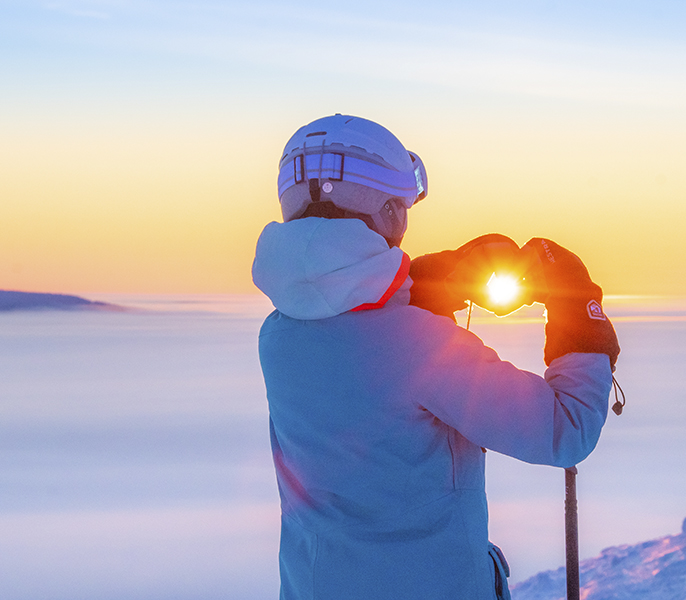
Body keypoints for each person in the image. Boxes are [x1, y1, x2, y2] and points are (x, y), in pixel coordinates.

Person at [252, 114, 620, 600]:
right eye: (400, 207)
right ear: (386, 213)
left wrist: (423, 283)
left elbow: (355, 335)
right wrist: (578, 310)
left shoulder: (279, 336)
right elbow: (564, 430)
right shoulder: (415, 344)